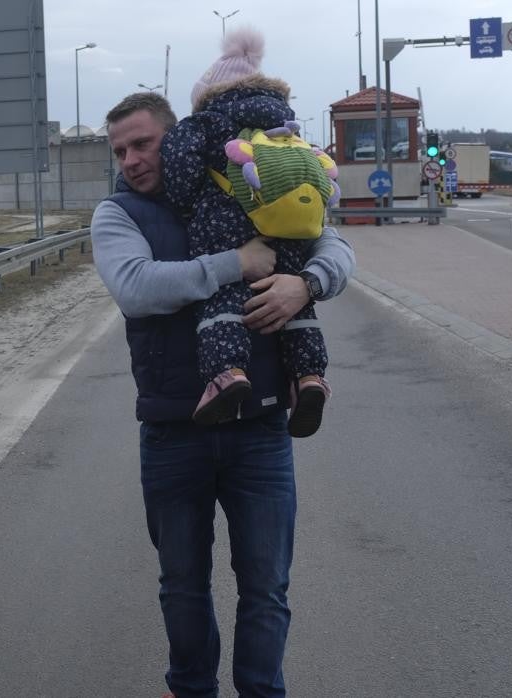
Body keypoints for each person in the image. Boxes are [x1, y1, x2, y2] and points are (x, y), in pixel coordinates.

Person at [92, 91, 354, 697]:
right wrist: (236, 262)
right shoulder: (119, 214)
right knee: (182, 585)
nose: (130, 160)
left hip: (259, 430)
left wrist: (303, 284)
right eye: (120, 150)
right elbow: (135, 288)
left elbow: (333, 244)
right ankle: (191, 689)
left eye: (142, 143)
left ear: (175, 137)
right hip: (173, 431)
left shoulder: (241, 182)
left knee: (266, 586)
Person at [160, 27, 338, 436]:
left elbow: (181, 164)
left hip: (224, 227)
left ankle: (228, 374)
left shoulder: (207, 118)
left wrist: (187, 203)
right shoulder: (285, 123)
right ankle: (309, 378)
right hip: (287, 229)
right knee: (293, 303)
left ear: (208, 90)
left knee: (223, 301)